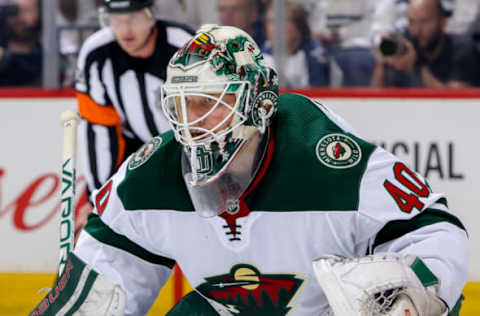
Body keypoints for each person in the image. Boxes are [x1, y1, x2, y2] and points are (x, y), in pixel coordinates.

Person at [31, 24, 468, 316]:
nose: (191, 120)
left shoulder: (327, 157)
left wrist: (419, 292)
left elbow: (436, 231)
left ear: (257, 103)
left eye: (208, 102)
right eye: (182, 104)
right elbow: (110, 273)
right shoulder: (150, 175)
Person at [75, 0, 194, 212]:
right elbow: (99, 127)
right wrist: (97, 199)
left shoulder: (185, 48)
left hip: (187, 153)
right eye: (116, 20)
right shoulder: (96, 54)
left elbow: (208, 116)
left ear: (150, 16)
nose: (125, 29)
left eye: (133, 18)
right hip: (136, 155)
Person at [370, 0, 479, 88]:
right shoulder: (405, 45)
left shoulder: (462, 48)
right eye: (412, 22)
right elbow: (374, 102)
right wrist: (382, 63)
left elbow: (455, 102)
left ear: (443, 22)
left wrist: (416, 68)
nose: (417, 30)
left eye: (424, 21)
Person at [263, 1, 340, 87]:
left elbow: (319, 95)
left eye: (282, 20)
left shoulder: (314, 54)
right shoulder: (262, 52)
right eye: (270, 21)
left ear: (298, 25)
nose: (274, 28)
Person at [0, 0, 41, 86]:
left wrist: (4, 58)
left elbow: (29, 67)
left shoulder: (48, 57)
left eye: (26, 10)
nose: (19, 17)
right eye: (13, 10)